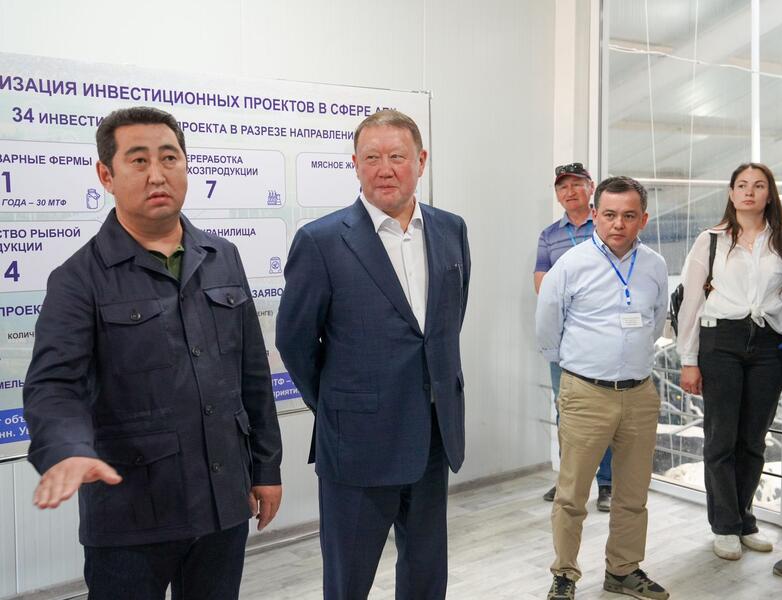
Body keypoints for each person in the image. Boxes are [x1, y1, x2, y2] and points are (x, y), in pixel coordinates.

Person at [23, 106, 283, 600]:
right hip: (132, 516)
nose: (157, 174)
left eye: (169, 157)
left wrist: (266, 469)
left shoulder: (223, 257)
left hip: (223, 503)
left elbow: (252, 375)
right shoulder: (78, 279)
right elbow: (53, 387)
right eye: (138, 160)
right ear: (106, 175)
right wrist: (66, 448)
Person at [275, 109, 470, 600]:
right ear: (355, 165)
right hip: (357, 443)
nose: (385, 169)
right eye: (372, 158)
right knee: (349, 580)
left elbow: (444, 327)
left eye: (397, 157)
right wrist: (339, 405)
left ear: (421, 161)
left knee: (426, 574)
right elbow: (295, 341)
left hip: (432, 435)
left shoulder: (451, 230)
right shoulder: (321, 241)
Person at [536, 176, 669, 600]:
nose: (618, 224)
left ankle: (623, 570)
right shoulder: (570, 265)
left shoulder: (655, 265)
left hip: (639, 393)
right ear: (595, 215)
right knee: (572, 494)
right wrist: (579, 367)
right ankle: (564, 574)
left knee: (632, 492)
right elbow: (547, 325)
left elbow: (657, 320)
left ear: (643, 219)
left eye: (629, 215)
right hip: (586, 392)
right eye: (609, 214)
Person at [678, 163, 782, 562]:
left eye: (758, 186)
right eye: (742, 185)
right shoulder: (710, 240)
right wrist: (688, 359)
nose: (749, 192)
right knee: (721, 438)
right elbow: (691, 302)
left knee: (754, 440)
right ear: (731, 193)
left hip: (768, 345)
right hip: (720, 341)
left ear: (769, 194)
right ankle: (725, 526)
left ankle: (744, 520)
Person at [534, 162, 612, 511]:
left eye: (576, 184)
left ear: (591, 187)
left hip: (602, 335)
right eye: (562, 187)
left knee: (605, 411)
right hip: (565, 338)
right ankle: (569, 481)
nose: (569, 192)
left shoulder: (606, 224)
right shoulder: (549, 235)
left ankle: (607, 483)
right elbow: (541, 281)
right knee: (565, 410)